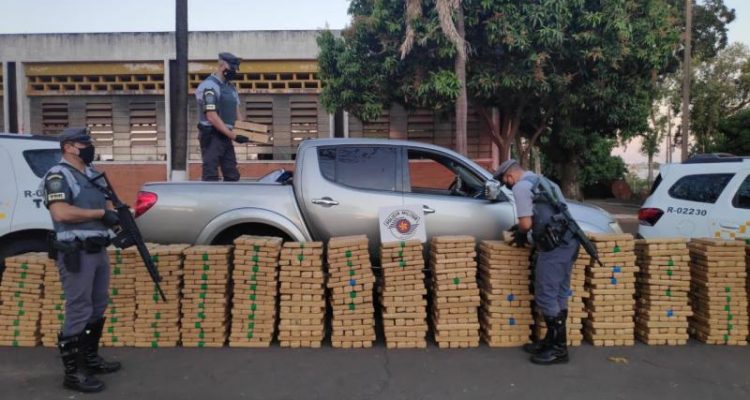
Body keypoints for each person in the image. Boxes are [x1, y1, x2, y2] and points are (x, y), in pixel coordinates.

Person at [42, 127, 122, 392]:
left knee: (98, 304)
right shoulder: (58, 175)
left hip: (98, 249)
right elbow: (61, 212)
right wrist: (101, 213)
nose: (89, 147)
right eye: (83, 144)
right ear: (68, 147)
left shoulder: (91, 173)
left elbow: (109, 206)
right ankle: (73, 373)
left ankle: (89, 359)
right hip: (75, 251)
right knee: (79, 307)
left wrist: (119, 217)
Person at [495, 159, 579, 365]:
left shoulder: (521, 187)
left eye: (506, 182)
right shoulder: (546, 182)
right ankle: (552, 341)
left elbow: (526, 223)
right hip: (569, 241)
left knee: (545, 294)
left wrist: (522, 232)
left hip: (553, 246)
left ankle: (559, 350)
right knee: (559, 292)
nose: (508, 185)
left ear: (509, 177)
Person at [195, 52, 249, 181]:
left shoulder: (231, 88)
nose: (234, 71)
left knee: (232, 174)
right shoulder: (209, 86)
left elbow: (237, 113)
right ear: (222, 65)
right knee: (211, 173)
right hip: (211, 135)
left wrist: (247, 131)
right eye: (232, 67)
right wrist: (234, 136)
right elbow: (211, 116)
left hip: (226, 135)